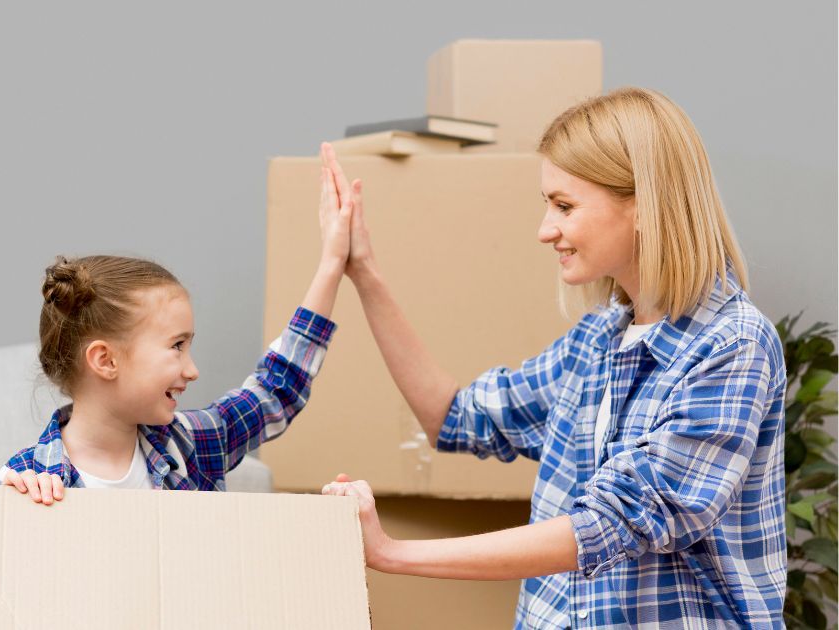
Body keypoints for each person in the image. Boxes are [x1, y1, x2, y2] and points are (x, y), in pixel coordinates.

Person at [320, 87, 787, 628]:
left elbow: (609, 525)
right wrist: (364, 271)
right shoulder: (597, 341)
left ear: (643, 205)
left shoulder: (731, 346)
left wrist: (392, 553)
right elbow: (453, 418)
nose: (545, 230)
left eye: (564, 206)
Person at [0, 148, 352, 504]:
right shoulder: (26, 480)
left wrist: (332, 263)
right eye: (176, 346)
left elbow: (275, 390)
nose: (193, 370)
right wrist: (15, 510)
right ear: (105, 360)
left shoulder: (189, 445)